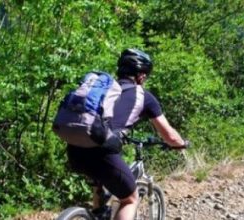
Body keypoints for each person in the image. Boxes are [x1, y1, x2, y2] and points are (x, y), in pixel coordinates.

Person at [66, 48, 189, 220]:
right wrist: (182, 143)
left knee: (101, 186)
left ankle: (98, 213)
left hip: (74, 149)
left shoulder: (107, 90)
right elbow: (170, 136)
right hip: (102, 151)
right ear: (141, 76)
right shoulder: (144, 96)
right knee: (130, 199)